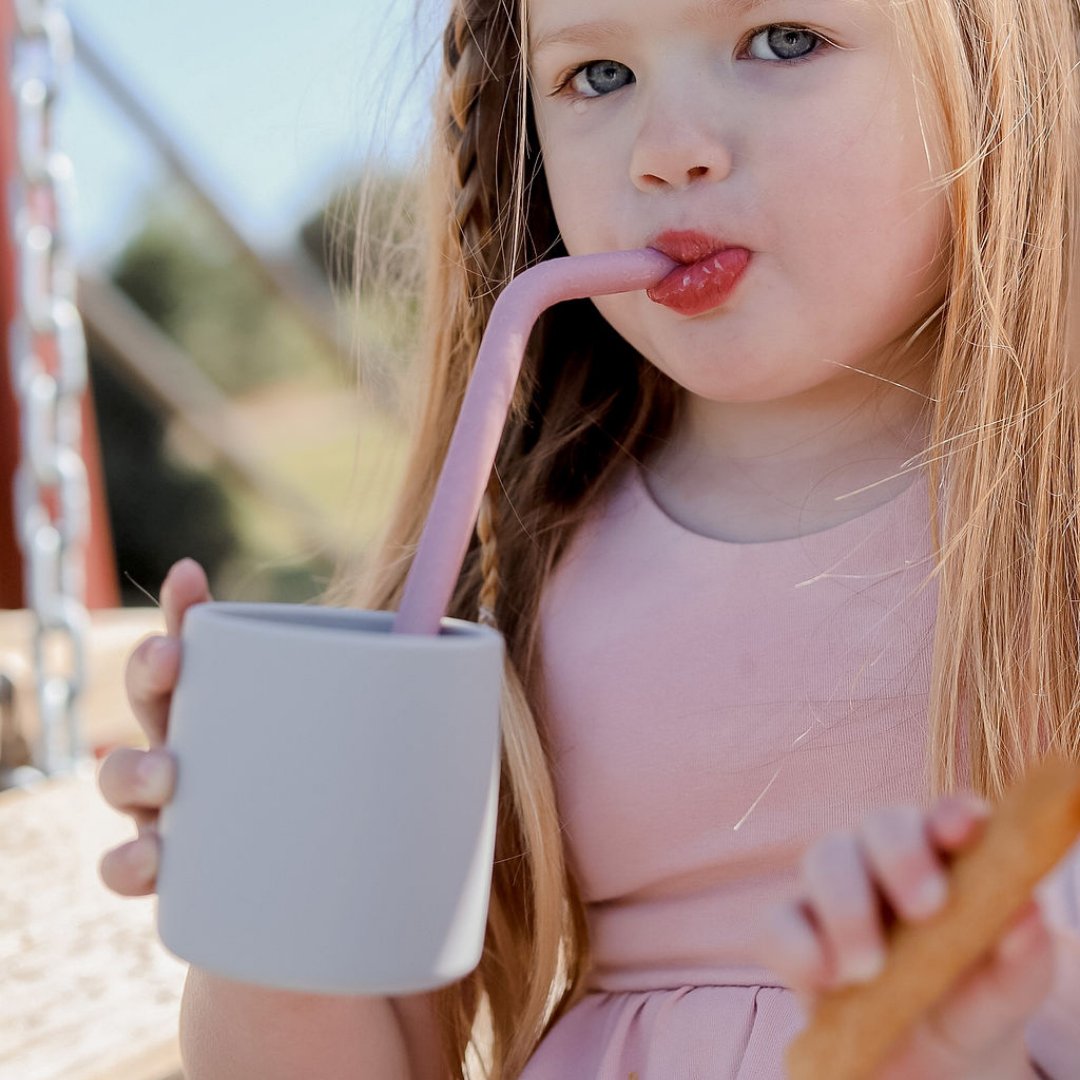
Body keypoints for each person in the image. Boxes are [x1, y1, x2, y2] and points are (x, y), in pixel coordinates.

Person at [96, 0, 1080, 1075]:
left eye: (784, 40)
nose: (666, 153)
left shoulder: (1051, 534)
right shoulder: (520, 563)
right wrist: (265, 906)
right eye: (598, 76)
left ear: (999, 64)